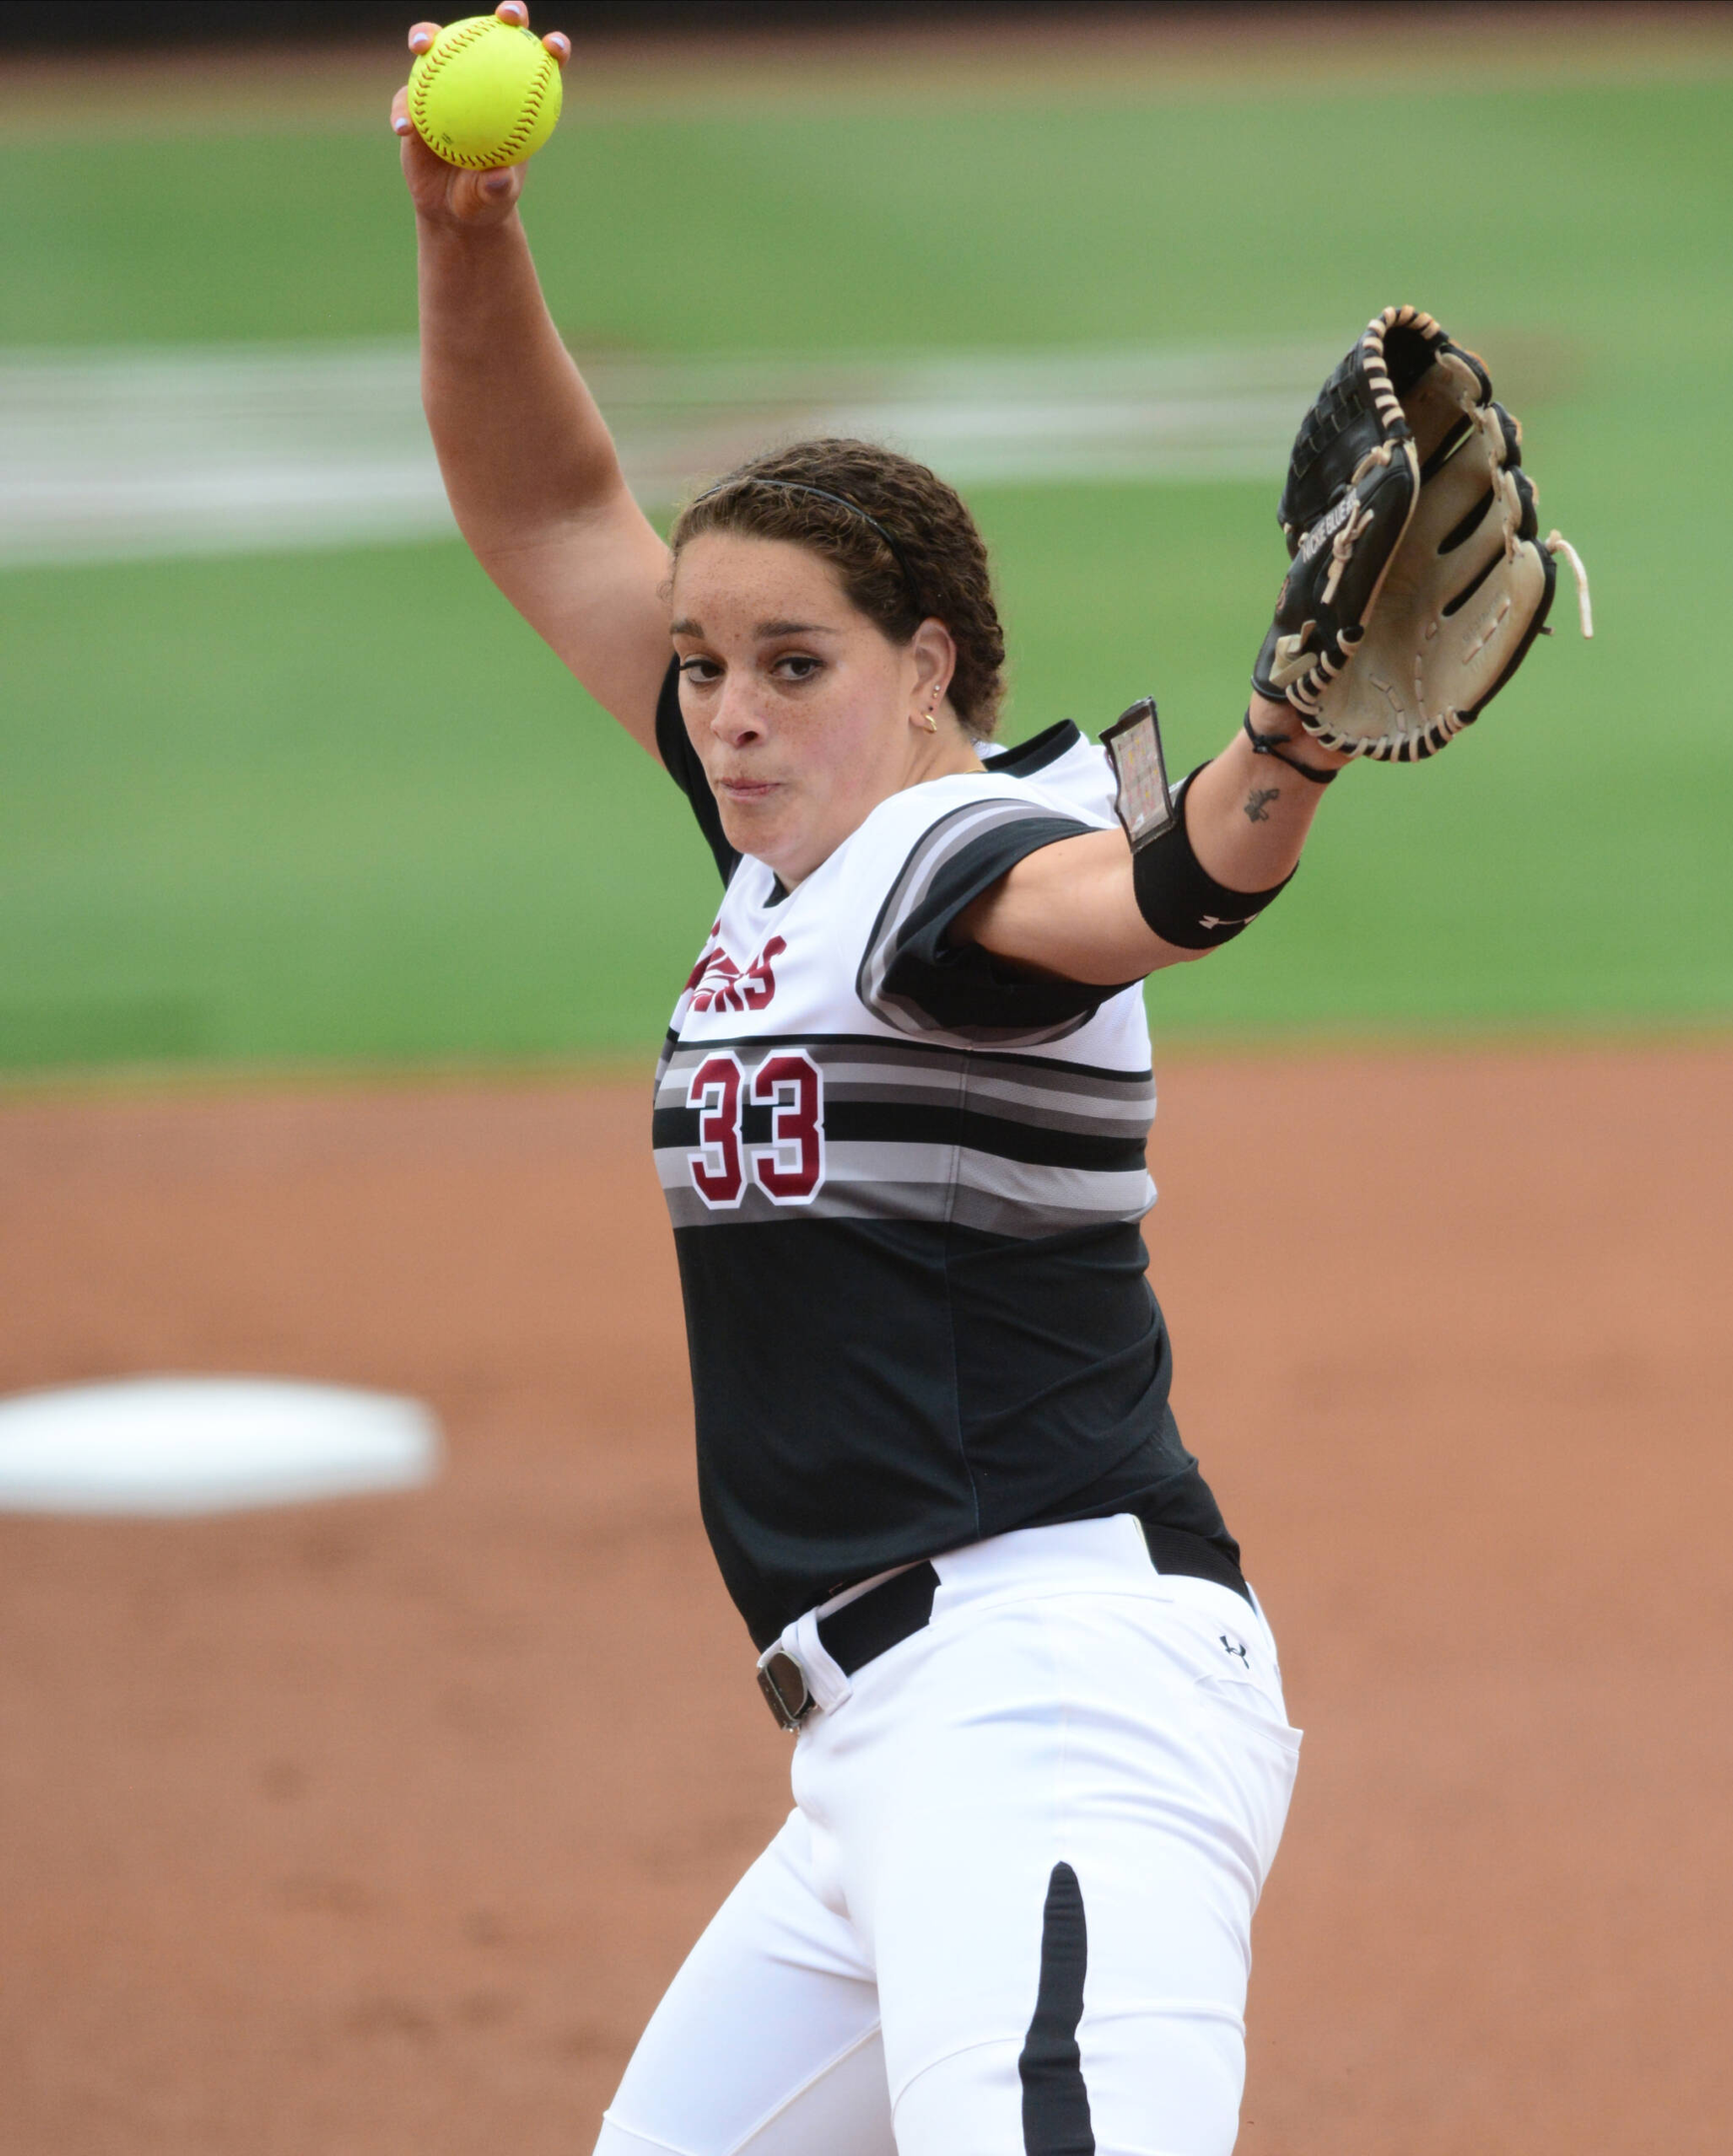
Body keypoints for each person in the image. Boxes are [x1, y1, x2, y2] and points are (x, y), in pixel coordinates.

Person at [395, 12, 1341, 2149]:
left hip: (1045, 1720)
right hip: (871, 1765)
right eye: (705, 666)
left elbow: (1151, 899)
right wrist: (466, 235)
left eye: (787, 666)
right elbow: (548, 508)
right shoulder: (789, 857)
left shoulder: (951, 853)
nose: (723, 710)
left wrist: (1284, 752)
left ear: (927, 671)